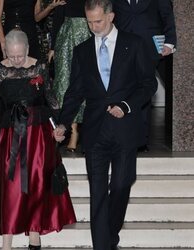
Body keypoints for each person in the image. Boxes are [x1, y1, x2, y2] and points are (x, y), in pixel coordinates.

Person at [53, 0, 157, 249]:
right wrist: (63, 124)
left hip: (125, 128)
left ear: (111, 16)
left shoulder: (134, 44)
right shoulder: (82, 50)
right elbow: (75, 93)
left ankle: (110, 233)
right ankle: (102, 245)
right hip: (95, 130)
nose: (93, 26)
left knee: (121, 184)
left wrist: (126, 105)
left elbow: (148, 84)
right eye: (89, 22)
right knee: (98, 193)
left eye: (98, 21)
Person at [0, 29, 76, 250]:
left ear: (27, 49)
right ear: (5, 51)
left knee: (37, 186)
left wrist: (59, 125)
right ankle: (6, 244)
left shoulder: (39, 67)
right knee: (11, 188)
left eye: (20, 55)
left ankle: (34, 239)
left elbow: (51, 98)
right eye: (11, 55)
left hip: (38, 135)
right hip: (11, 135)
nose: (16, 61)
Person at [112, 0, 177, 152]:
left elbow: (167, 14)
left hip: (150, 47)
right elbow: (109, 14)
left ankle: (141, 140)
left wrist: (170, 41)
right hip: (123, 46)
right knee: (125, 90)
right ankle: (125, 137)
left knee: (144, 91)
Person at [48, 0, 91, 152]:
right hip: (65, 36)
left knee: (86, 83)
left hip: (88, 32)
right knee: (64, 83)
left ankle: (84, 131)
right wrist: (53, 47)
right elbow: (59, 14)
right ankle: (72, 131)